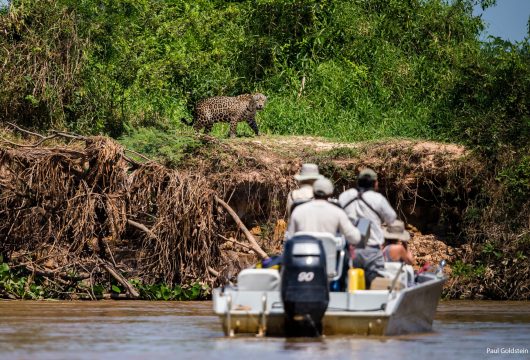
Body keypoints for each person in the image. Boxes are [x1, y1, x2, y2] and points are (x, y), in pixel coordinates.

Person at [338, 168, 397, 288]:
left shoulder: (345, 196)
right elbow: (391, 219)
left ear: (358, 182)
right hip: (372, 251)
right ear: (375, 183)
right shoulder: (378, 198)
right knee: (377, 286)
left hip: (350, 251)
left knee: (350, 286)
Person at [286, 178, 361, 246]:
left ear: (313, 191)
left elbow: (289, 237)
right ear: (330, 193)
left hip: (302, 256)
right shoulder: (337, 212)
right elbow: (355, 238)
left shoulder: (298, 210)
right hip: (329, 258)